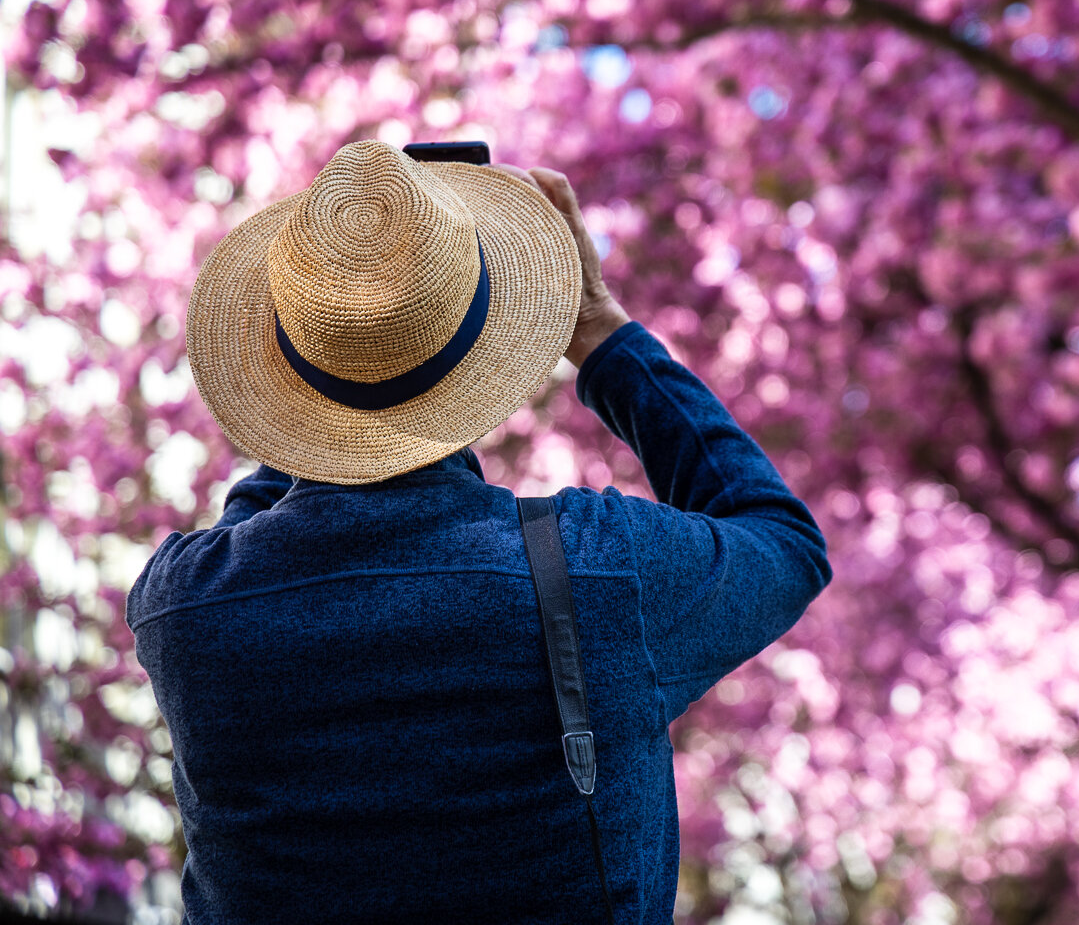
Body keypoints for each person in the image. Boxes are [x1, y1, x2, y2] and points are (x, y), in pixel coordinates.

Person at [126, 141, 831, 923]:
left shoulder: (182, 608)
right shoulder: (602, 569)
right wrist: (601, 334)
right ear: (490, 335)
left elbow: (261, 516)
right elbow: (782, 540)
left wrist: (327, 353)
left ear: (287, 371)